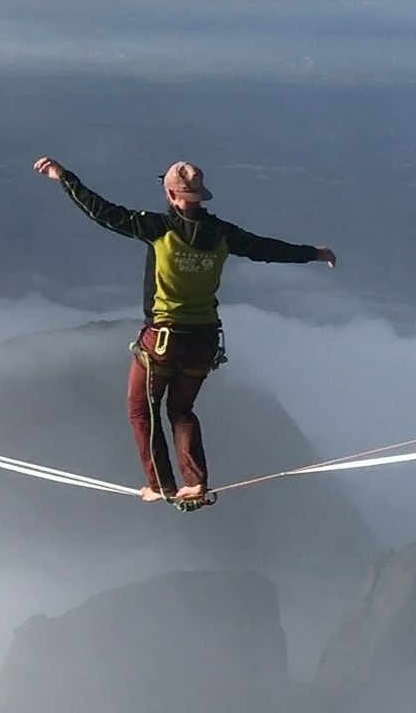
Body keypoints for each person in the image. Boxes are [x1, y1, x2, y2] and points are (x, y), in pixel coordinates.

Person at [33, 157, 336, 507]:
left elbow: (101, 211)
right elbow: (267, 249)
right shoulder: (223, 235)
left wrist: (63, 176)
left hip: (164, 337)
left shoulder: (157, 228)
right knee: (181, 410)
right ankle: (194, 482)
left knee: (141, 408)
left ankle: (160, 484)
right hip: (204, 341)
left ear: (173, 196)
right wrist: (314, 253)